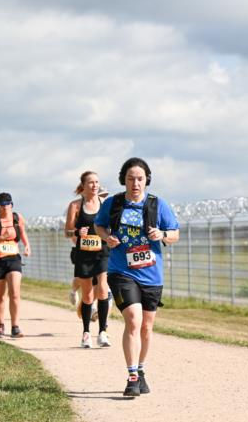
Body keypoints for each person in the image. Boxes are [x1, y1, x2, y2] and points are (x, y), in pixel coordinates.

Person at [95, 157, 180, 397]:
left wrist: (162, 233)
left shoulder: (157, 205)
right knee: (133, 319)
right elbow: (99, 227)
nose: (135, 183)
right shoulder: (113, 203)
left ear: (147, 180)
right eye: (131, 178)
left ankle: (141, 370)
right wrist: (107, 238)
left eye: (140, 179)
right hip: (121, 270)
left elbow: (175, 234)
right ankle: (132, 376)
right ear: (124, 180)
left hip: (151, 274)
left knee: (146, 327)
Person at [65, 171, 112, 348]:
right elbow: (67, 231)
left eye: (97, 182)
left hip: (102, 252)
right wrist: (77, 232)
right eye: (91, 182)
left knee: (102, 290)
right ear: (83, 186)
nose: (94, 185)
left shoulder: (105, 204)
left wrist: (110, 236)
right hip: (84, 254)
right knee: (88, 295)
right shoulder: (75, 206)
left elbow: (111, 227)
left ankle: (102, 332)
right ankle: (86, 333)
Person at [0, 193, 30, 338]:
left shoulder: (17, 218)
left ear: (12, 204)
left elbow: (22, 232)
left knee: (15, 293)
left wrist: (27, 245)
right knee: (0, 296)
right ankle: (0, 325)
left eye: (8, 204)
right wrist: (2, 237)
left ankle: (15, 327)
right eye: (2, 204)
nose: (5, 207)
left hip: (13, 259)